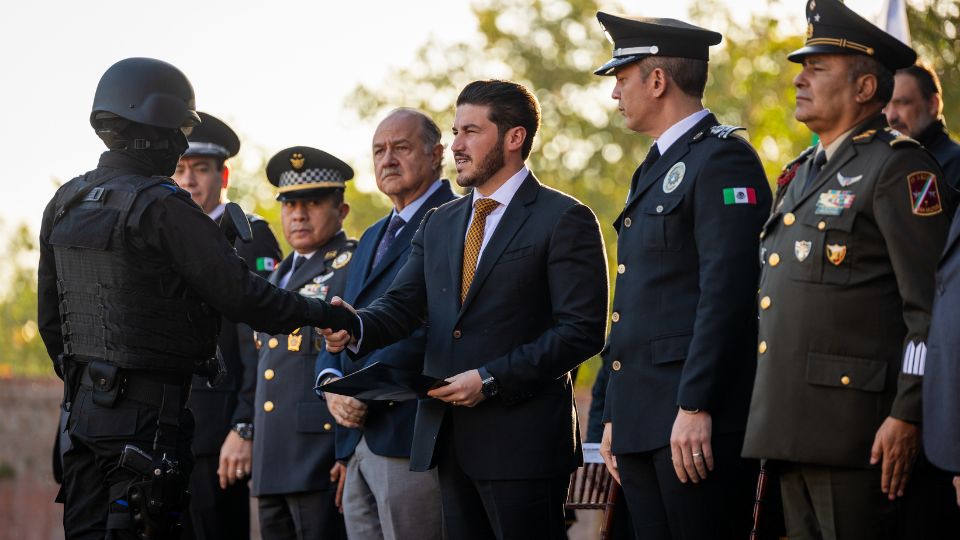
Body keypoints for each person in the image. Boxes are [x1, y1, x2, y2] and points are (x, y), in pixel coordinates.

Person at [37, 57, 355, 540]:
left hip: (83, 422)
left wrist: (93, 384)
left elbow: (50, 322)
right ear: (155, 131)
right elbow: (246, 298)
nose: (182, 145)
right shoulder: (163, 206)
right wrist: (322, 312)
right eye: (177, 131)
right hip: (148, 422)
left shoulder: (66, 200)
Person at [324, 79, 609, 539]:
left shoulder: (564, 217)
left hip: (525, 445)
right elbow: (399, 307)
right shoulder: (440, 222)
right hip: (448, 439)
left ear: (514, 138)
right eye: (455, 131)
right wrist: (352, 325)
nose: (455, 145)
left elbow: (581, 331)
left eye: (470, 132)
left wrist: (492, 379)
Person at [741, 1, 950, 538]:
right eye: (801, 68)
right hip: (793, 428)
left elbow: (929, 309)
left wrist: (908, 413)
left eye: (818, 67)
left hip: (864, 435)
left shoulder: (896, 166)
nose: (800, 80)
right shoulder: (800, 172)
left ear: (863, 89)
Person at [591, 12, 771, 540]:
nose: (615, 94)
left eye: (622, 79)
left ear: (657, 79)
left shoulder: (723, 159)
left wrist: (697, 404)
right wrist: (609, 410)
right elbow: (634, 302)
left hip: (692, 422)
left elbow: (729, 294)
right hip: (643, 419)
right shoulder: (653, 167)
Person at [315, 108, 452, 539]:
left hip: (413, 434)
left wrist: (363, 392)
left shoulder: (458, 220)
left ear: (436, 155)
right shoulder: (372, 234)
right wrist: (331, 382)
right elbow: (343, 318)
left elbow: (436, 322)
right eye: (379, 150)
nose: (387, 159)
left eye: (401, 147)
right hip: (357, 440)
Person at [171, 111, 282, 540]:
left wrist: (244, 424)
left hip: (217, 432)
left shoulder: (249, 237)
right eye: (180, 169)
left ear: (224, 174)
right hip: (165, 426)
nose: (189, 180)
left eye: (200, 170)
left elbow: (262, 342)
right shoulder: (162, 234)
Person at [250, 146, 356, 540]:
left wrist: (350, 450)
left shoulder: (352, 265)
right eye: (290, 204)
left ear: (341, 211)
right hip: (272, 458)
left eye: (313, 203)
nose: (298, 214)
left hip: (320, 458)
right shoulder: (276, 278)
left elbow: (360, 361)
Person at [885, 61, 960, 191]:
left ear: (932, 104)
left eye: (902, 103)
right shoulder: (883, 162)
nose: (891, 116)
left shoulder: (955, 164)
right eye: (885, 105)